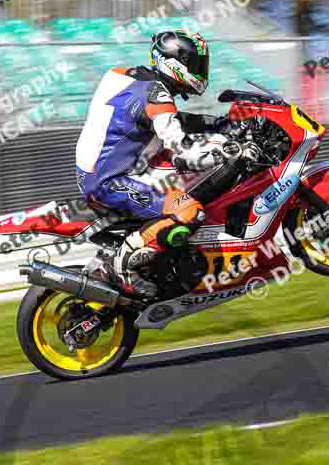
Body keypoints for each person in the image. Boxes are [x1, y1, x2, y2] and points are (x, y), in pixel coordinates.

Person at [75, 30, 259, 296]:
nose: (200, 71)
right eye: (195, 65)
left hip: (97, 170)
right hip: (108, 182)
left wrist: (218, 124)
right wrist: (232, 151)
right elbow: (185, 153)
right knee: (189, 212)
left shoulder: (126, 75)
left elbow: (160, 118)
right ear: (175, 62)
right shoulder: (157, 95)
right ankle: (122, 263)